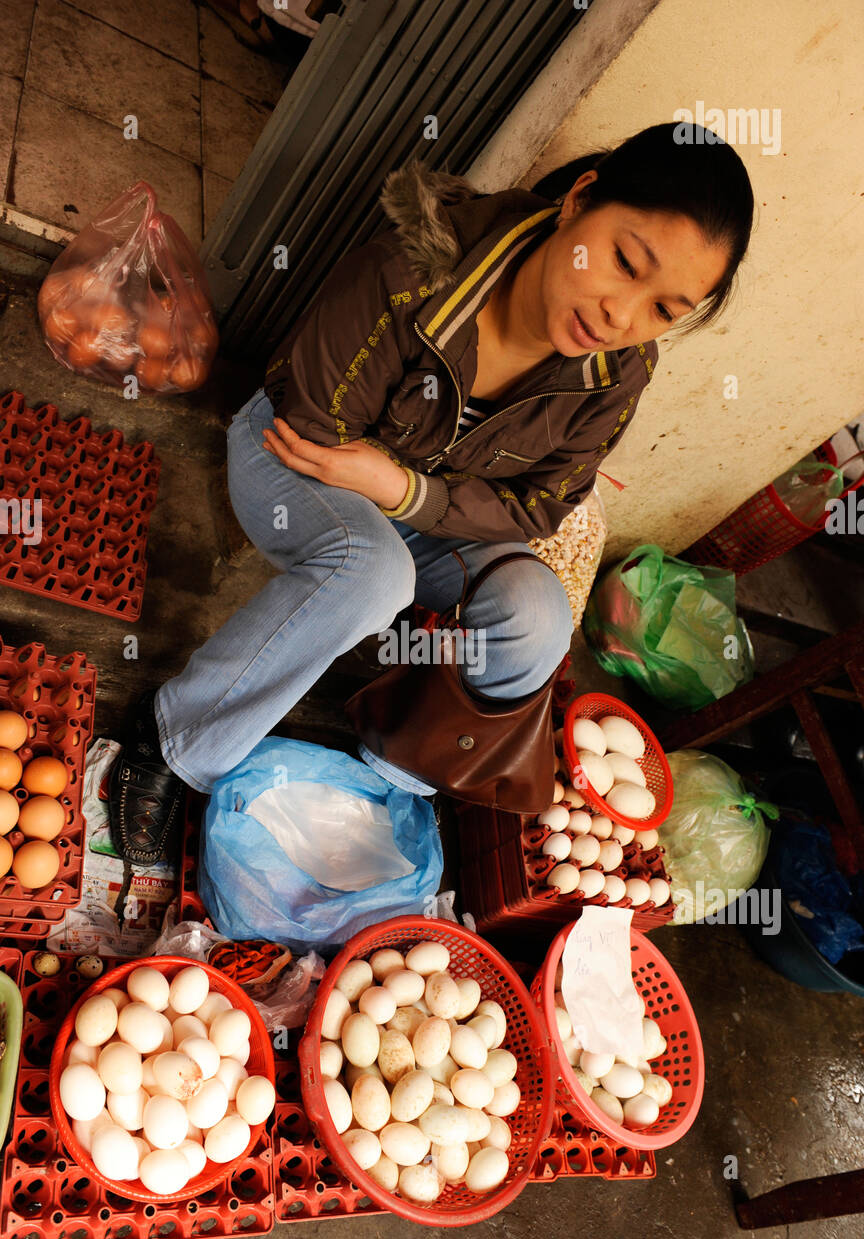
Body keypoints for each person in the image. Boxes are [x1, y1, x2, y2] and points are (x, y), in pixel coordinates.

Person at [108, 123, 754, 865]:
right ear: (581, 200)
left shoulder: (618, 374)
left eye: (665, 311)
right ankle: (172, 740)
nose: (622, 315)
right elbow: (316, 427)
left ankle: (385, 777)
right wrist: (417, 498)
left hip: (418, 505)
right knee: (374, 571)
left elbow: (543, 506)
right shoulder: (418, 267)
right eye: (623, 262)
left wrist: (409, 492)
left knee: (536, 618)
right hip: (292, 456)